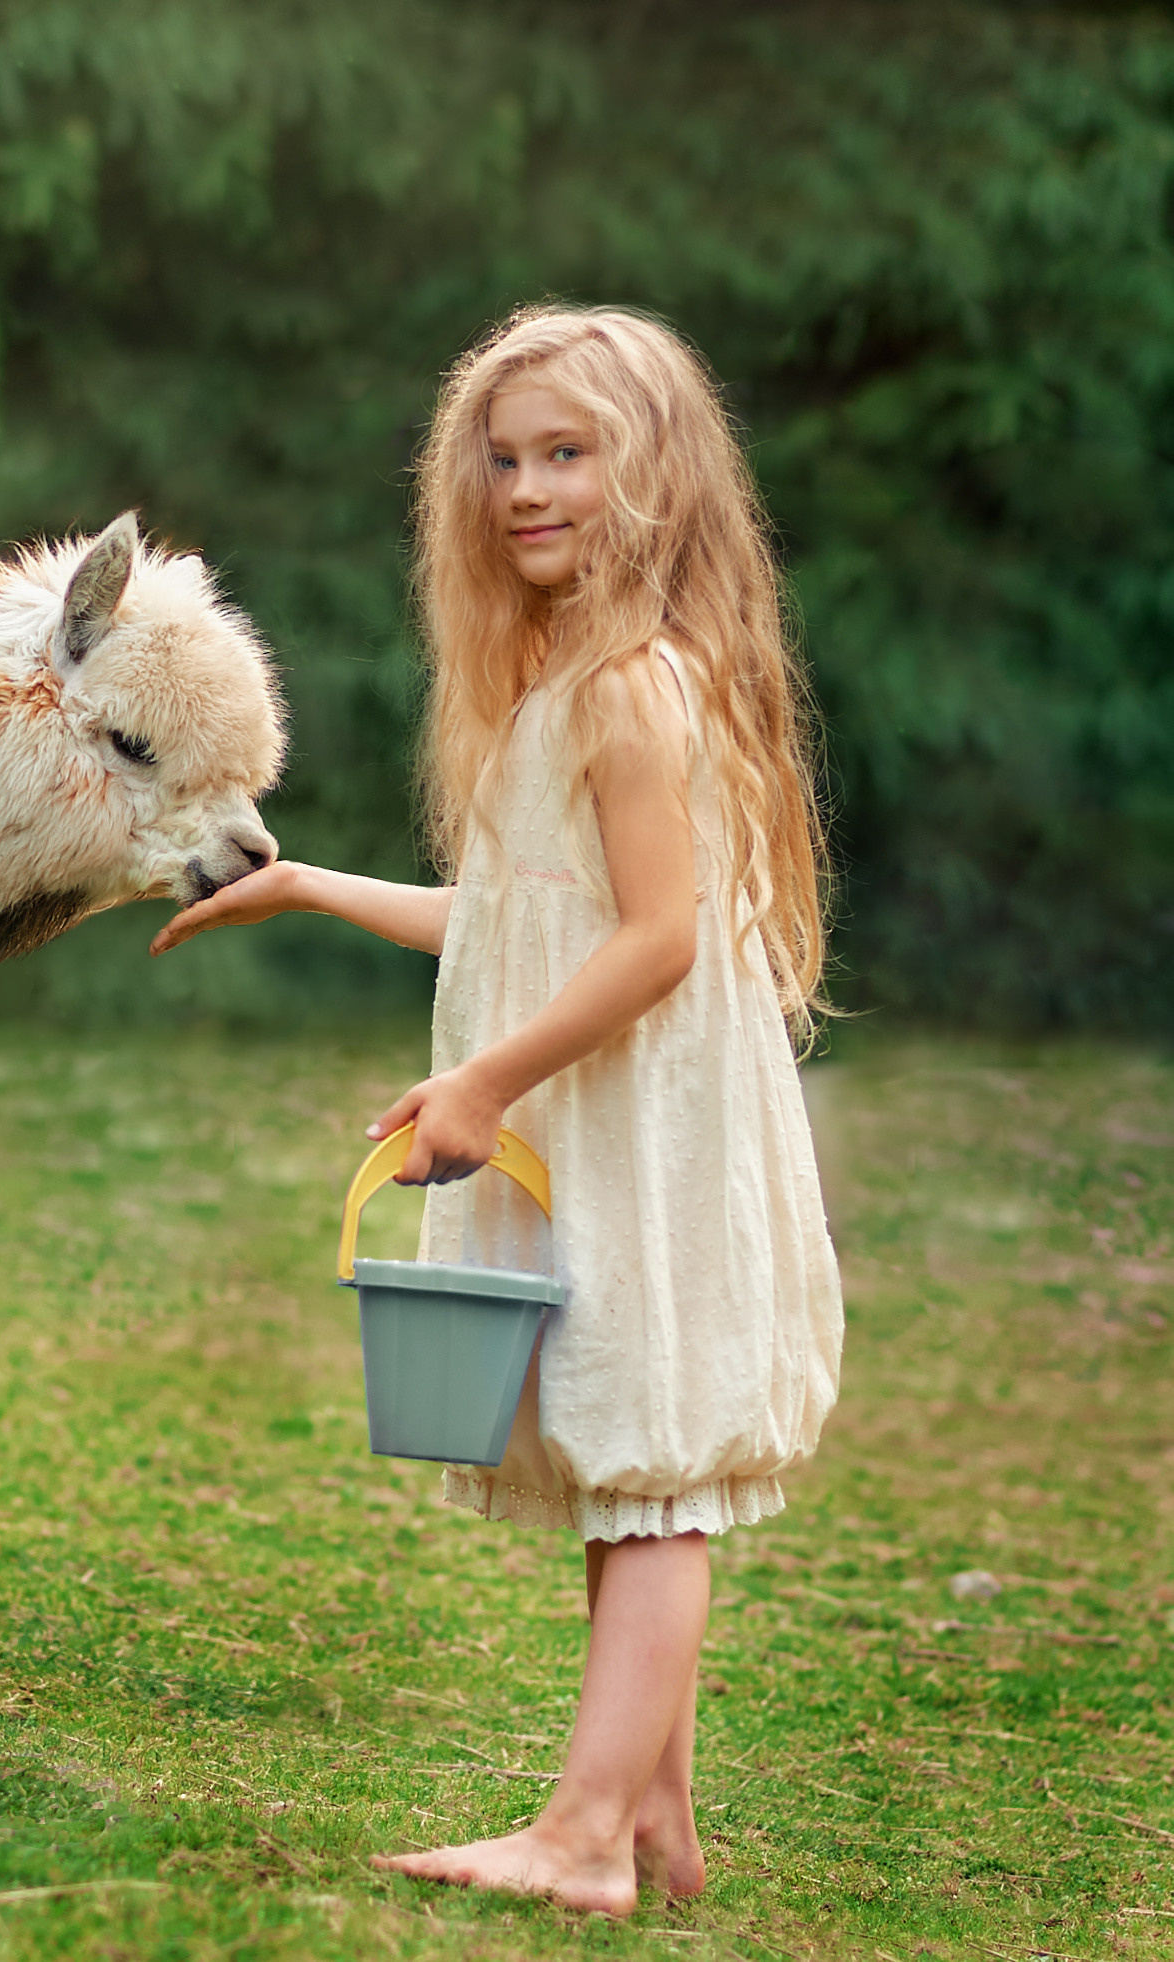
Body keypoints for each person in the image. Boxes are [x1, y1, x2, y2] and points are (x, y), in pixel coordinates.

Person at [152, 305, 843, 1917]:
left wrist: (485, 1078)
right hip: (605, 1114)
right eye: (505, 456)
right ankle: (656, 1822)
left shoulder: (631, 694)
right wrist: (311, 885)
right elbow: (524, 916)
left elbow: (659, 941)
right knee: (629, 1450)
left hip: (642, 1123)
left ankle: (586, 1834)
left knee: (656, 1464)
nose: (526, 488)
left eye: (568, 454)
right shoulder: (576, 683)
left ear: (657, 475)